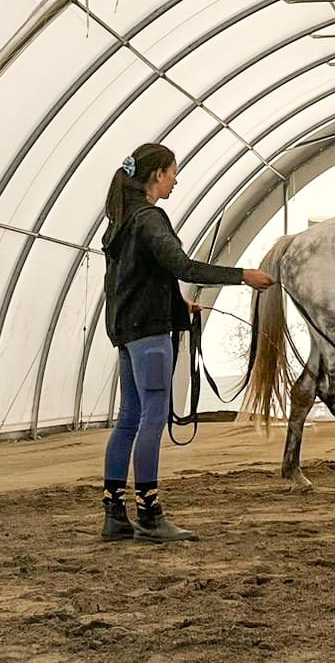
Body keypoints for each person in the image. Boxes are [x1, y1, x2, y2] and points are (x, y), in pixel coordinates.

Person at [101, 143, 274, 544]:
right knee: (152, 417)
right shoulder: (149, 219)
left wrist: (178, 304)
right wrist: (242, 275)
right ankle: (149, 512)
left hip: (129, 330)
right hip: (150, 334)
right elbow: (182, 265)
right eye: (172, 172)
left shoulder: (121, 221)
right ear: (157, 175)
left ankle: (115, 512)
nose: (176, 180)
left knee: (129, 417)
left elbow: (134, 279)